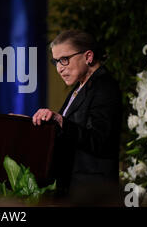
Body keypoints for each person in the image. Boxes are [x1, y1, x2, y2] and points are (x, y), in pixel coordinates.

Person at [32, 29, 122, 205]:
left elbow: (99, 140)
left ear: (88, 56)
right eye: (56, 61)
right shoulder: (81, 87)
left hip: (93, 192)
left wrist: (59, 120)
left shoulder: (104, 87)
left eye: (64, 60)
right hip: (72, 189)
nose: (59, 68)